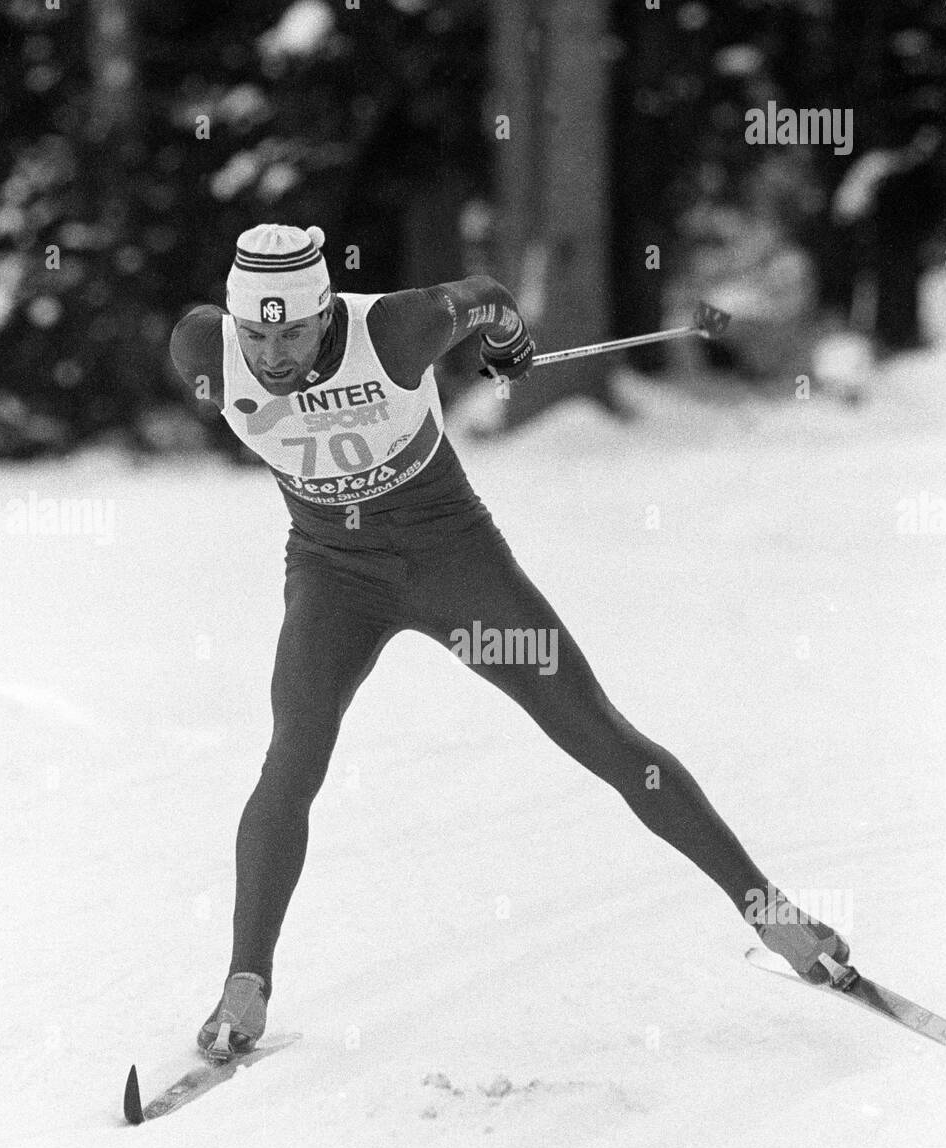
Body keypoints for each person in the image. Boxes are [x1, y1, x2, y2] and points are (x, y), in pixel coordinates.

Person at [170, 223, 849, 1059]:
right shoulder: (204, 346)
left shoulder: (395, 328)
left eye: (293, 332)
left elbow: (488, 294)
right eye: (258, 335)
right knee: (291, 761)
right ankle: (246, 983)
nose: (273, 354)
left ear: (324, 313)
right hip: (334, 577)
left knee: (601, 737)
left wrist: (510, 344)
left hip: (453, 564)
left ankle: (772, 915)